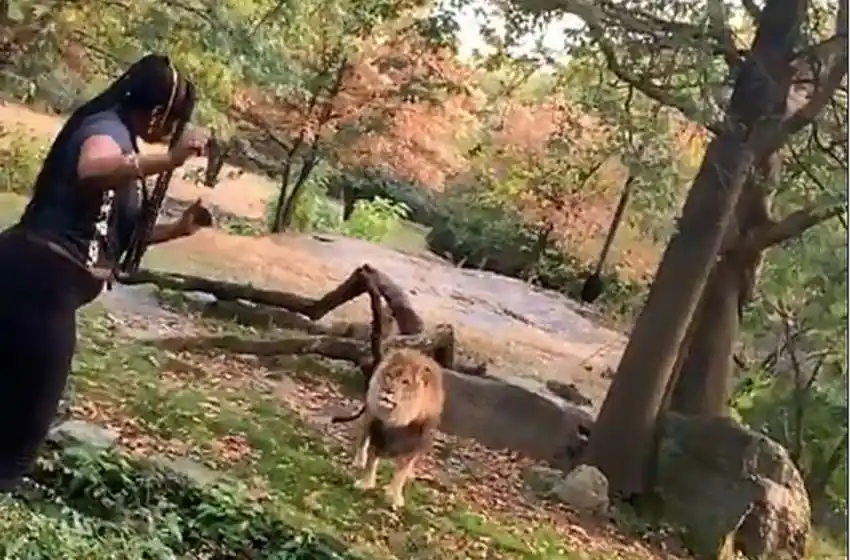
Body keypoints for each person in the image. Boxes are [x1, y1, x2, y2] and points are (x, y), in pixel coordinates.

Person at [0, 53, 212, 491]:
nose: (172, 132)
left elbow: (117, 236)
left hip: (40, 284)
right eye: (173, 121)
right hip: (37, 281)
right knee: (26, 424)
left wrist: (179, 228)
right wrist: (170, 160)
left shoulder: (123, 141)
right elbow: (92, 169)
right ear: (157, 112)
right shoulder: (106, 129)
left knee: (17, 404)